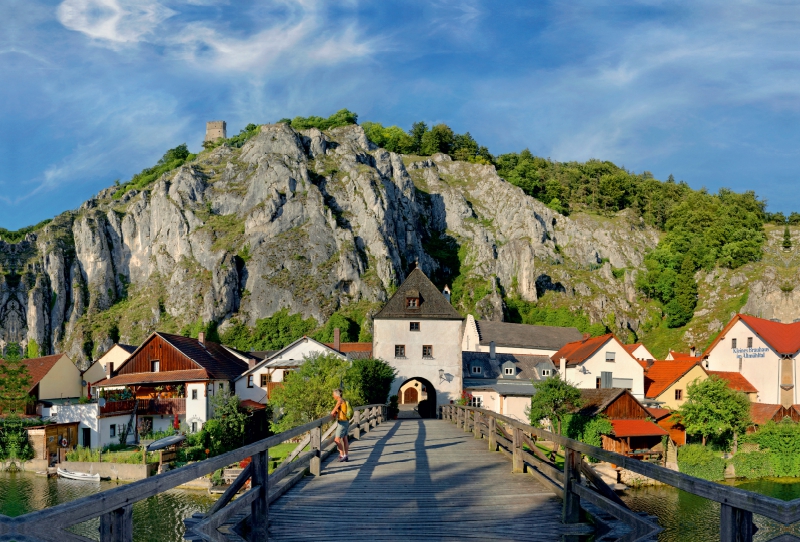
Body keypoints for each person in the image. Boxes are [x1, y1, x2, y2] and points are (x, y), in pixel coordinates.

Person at [331, 388, 349, 462]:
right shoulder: (343, 400)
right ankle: (346, 455)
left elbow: (332, 412)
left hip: (342, 423)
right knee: (345, 439)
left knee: (336, 440)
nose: (333, 396)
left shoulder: (339, 401)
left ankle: (342, 455)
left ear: (336, 395)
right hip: (346, 421)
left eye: (333, 395)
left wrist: (333, 412)